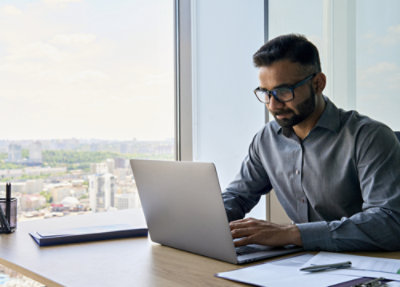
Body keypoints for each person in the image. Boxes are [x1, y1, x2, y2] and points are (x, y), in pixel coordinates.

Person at [223, 34, 400, 252]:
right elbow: (237, 197)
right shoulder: (266, 139)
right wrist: (199, 220)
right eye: (265, 93)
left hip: (371, 266)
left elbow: (390, 222)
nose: (273, 105)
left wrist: (291, 233)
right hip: (305, 264)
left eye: (284, 91)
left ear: (318, 83)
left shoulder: (369, 137)